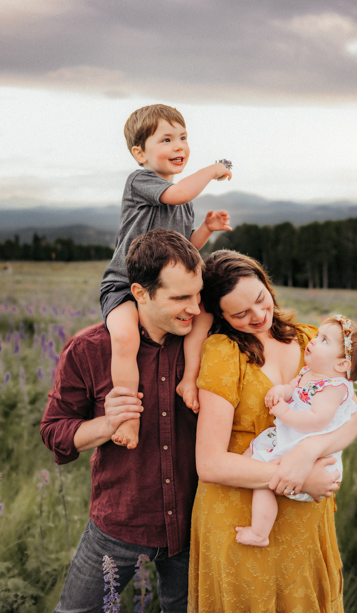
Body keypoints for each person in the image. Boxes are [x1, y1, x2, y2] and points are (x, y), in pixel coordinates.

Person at [188, 250, 357, 613]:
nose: (258, 316)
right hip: (240, 519)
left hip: (304, 522)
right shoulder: (224, 352)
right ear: (219, 315)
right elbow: (208, 465)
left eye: (260, 299)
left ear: (267, 285)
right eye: (240, 313)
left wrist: (307, 451)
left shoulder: (310, 340)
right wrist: (299, 477)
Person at [41, 229, 204, 613]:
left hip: (196, 526)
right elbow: (53, 430)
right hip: (120, 524)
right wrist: (105, 424)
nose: (195, 309)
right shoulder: (89, 350)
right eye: (181, 298)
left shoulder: (207, 345)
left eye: (198, 295)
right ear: (141, 293)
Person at [100, 103, 232, 449]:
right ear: (139, 153)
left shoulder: (184, 202)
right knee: (126, 339)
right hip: (126, 286)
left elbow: (186, 249)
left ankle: (188, 379)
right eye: (167, 139)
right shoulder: (142, 181)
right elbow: (180, 191)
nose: (179, 146)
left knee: (202, 317)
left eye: (183, 137)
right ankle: (128, 417)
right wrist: (213, 169)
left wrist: (205, 228)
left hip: (167, 288)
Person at [236, 314, 357, 547]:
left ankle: (260, 533)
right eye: (318, 335)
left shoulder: (334, 388)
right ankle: (243, 482)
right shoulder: (309, 372)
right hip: (289, 436)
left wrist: (283, 412)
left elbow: (316, 421)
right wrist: (282, 391)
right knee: (250, 467)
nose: (312, 340)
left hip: (303, 443)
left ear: (342, 365)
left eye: (324, 340)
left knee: (263, 484)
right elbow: (294, 388)